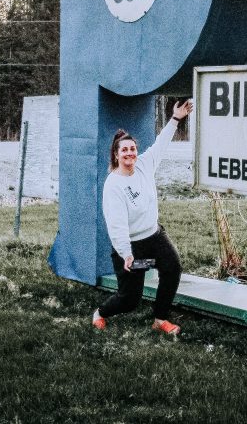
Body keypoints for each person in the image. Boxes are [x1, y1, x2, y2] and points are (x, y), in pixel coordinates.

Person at [92, 98, 194, 335]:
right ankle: (100, 313)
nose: (130, 153)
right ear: (116, 155)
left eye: (132, 149)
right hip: (131, 246)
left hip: (154, 237)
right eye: (124, 150)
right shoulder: (113, 185)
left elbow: (160, 144)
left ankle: (160, 319)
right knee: (130, 300)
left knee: (172, 267)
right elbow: (116, 225)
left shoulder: (144, 165)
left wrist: (175, 119)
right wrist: (126, 254)